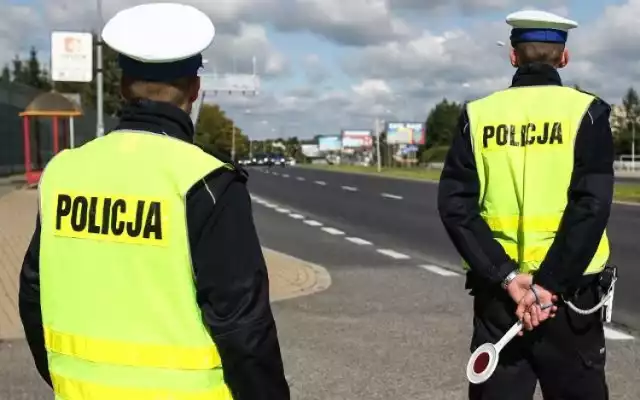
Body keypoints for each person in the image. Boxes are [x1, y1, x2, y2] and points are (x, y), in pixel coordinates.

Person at [18, 3, 290, 399]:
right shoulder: (207, 182)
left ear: (122, 87)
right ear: (194, 90)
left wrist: (66, 376)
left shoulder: (63, 173)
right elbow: (243, 328)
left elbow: (32, 295)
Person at [438, 9, 614, 400]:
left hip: (501, 299)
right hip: (569, 301)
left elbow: (455, 206)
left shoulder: (477, 116)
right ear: (564, 58)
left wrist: (505, 276)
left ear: (513, 56)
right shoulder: (588, 112)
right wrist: (549, 285)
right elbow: (592, 206)